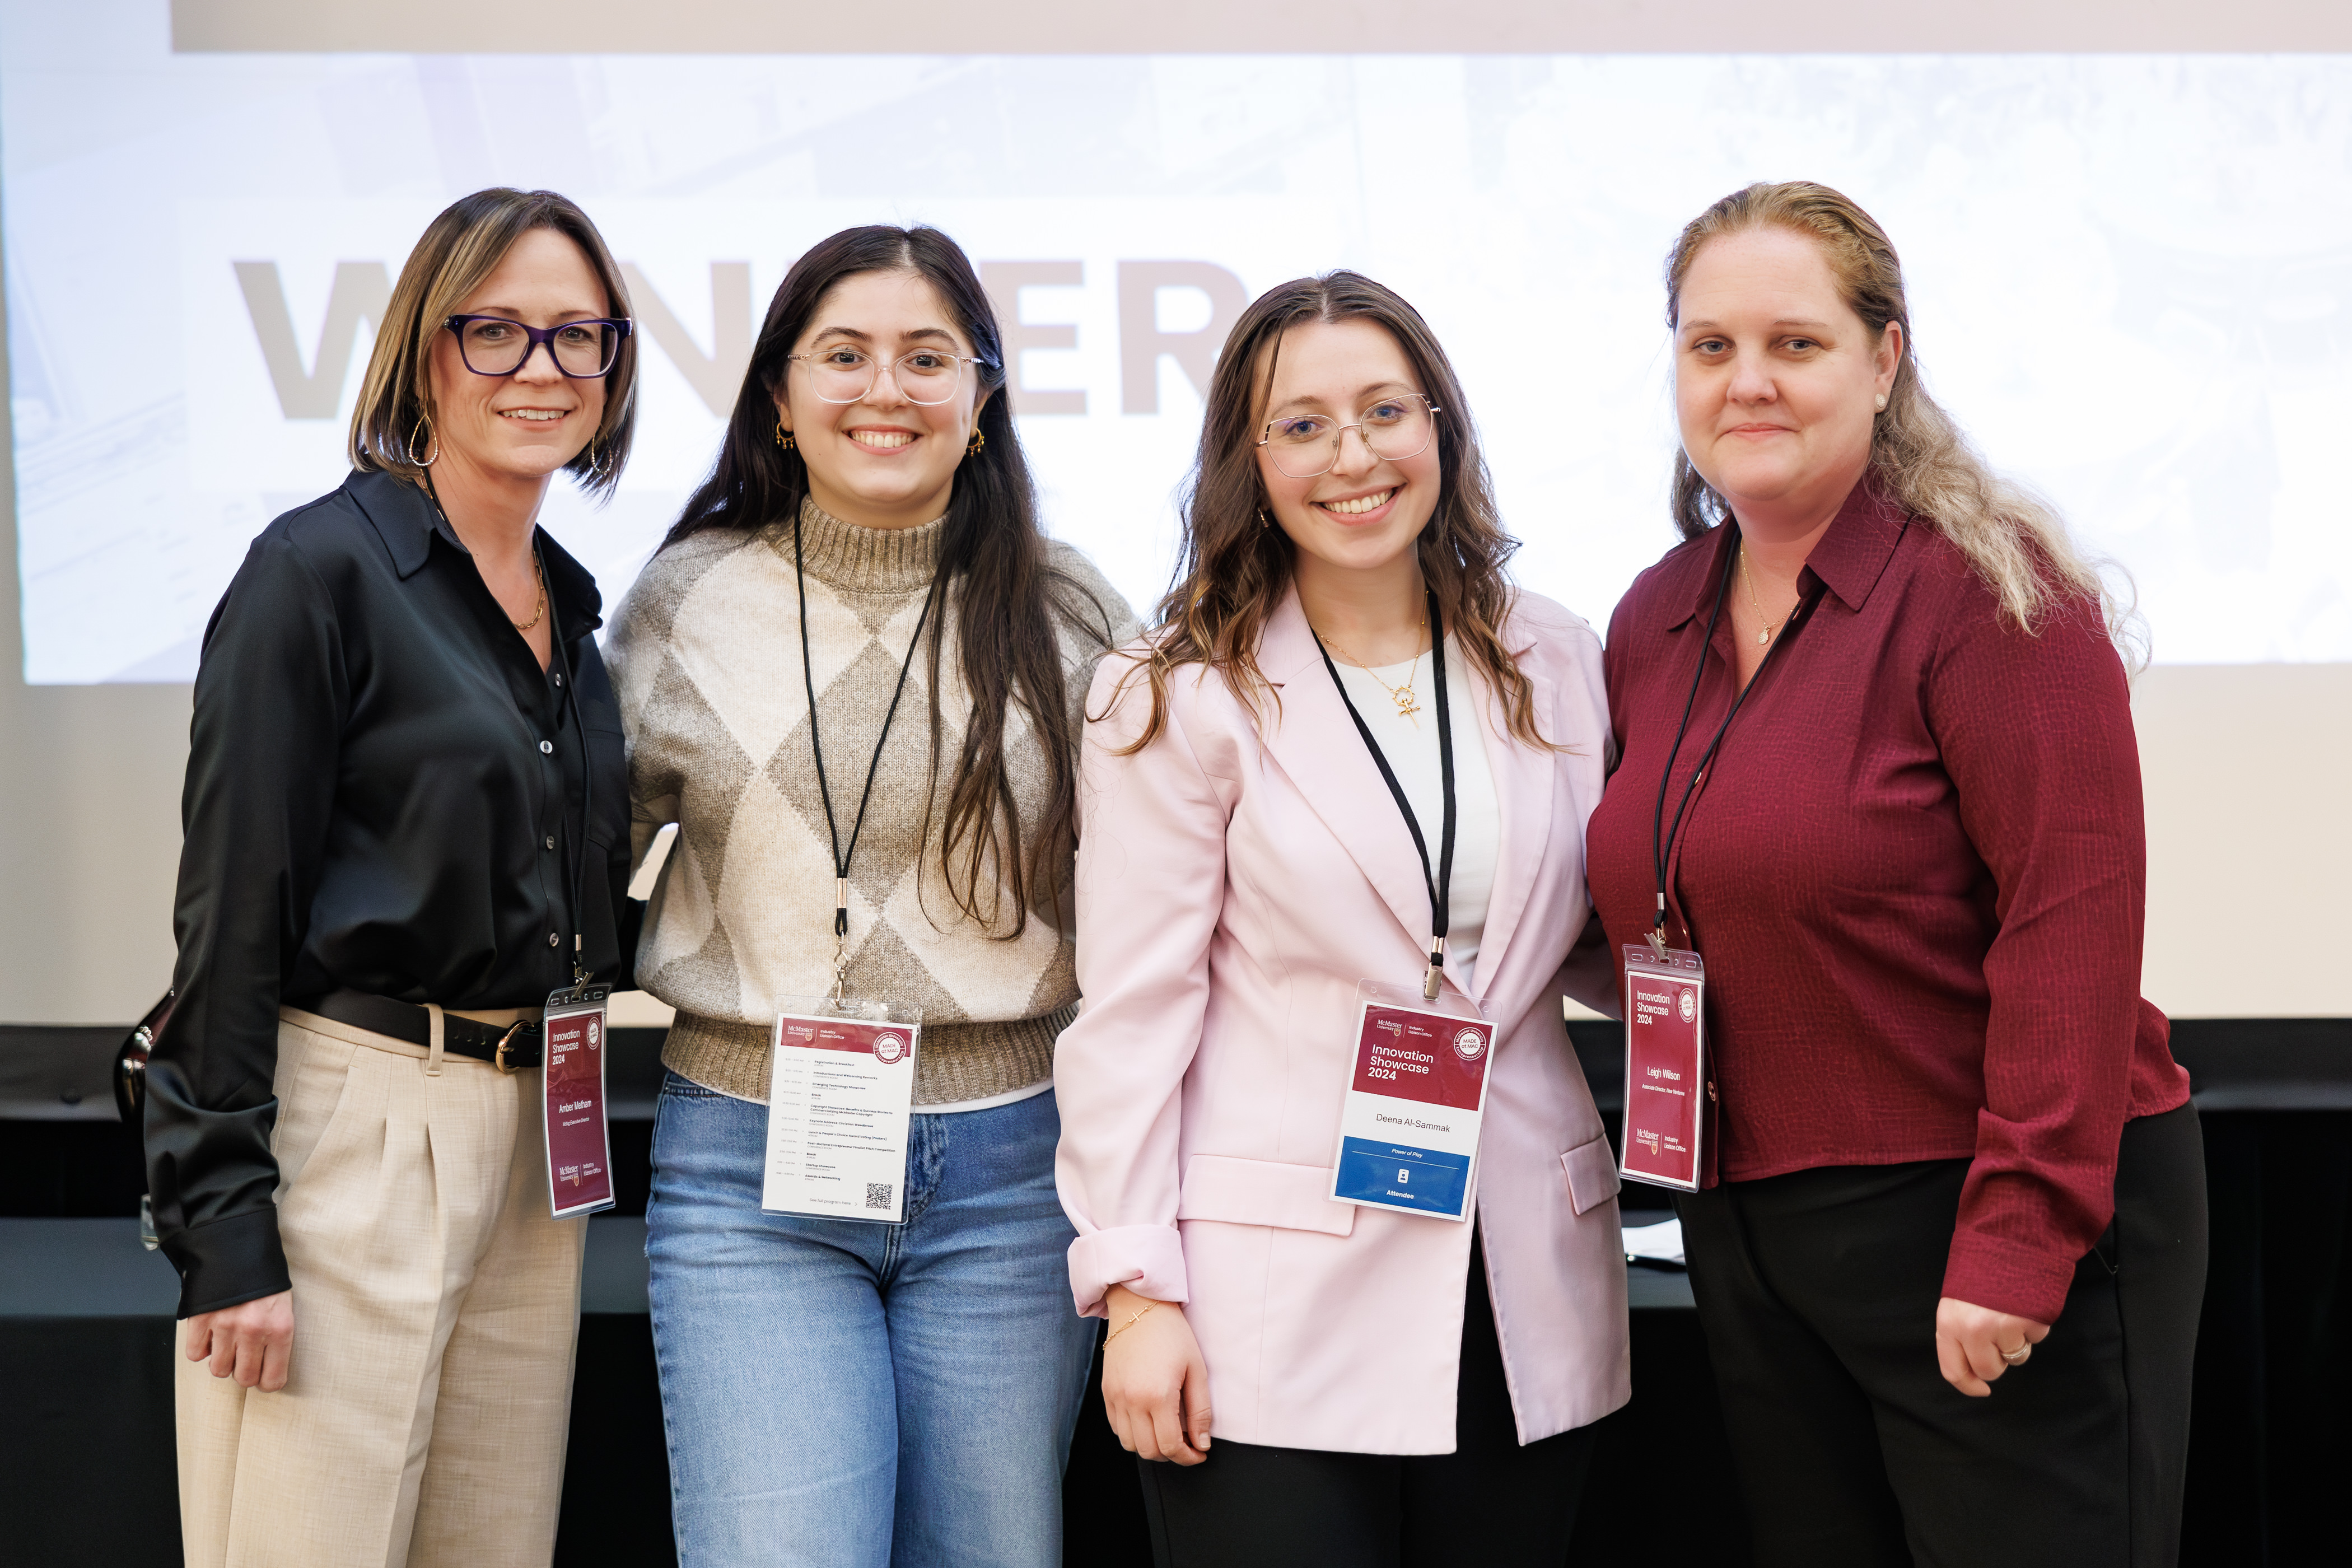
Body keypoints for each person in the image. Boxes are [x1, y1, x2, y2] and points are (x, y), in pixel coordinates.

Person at [1584, 181, 2206, 1567]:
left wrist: (2020, 1235)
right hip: (1751, 1223)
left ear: (1886, 358)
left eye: (1795, 344)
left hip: (1982, 1200)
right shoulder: (1656, 612)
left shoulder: (1991, 591)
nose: (1747, 381)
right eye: (1709, 346)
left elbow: (2073, 929)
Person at [1053, 272, 1627, 1568]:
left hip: (1523, 1278)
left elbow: (1595, 927)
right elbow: (1136, 1015)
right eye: (1302, 425)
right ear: (1249, 463)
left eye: (1384, 410)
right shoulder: (1173, 693)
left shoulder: (1557, 653)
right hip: (1274, 1299)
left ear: (1442, 428)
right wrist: (1136, 1288)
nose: (1352, 455)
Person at [608, 224, 1134, 1568]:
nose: (884, 388)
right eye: (842, 355)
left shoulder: (1071, 610)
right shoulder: (686, 602)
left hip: (1015, 1173)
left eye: (926, 356)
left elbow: (1152, 902)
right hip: (748, 1163)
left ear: (984, 393)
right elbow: (580, 861)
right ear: (780, 399)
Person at [148, 187, 640, 1567]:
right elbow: (231, 913)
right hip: (352, 1135)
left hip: (532, 1150)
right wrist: (225, 1228)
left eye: (578, 338)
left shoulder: (570, 603)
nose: (542, 371)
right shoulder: (315, 574)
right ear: (428, 350)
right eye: (498, 332)